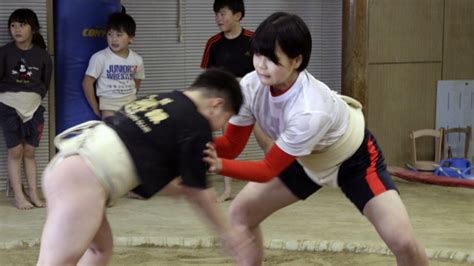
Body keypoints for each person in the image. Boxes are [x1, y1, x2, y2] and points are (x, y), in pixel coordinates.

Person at [204, 12, 429, 265]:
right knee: (241, 214)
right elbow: (232, 145)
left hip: (354, 159)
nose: (260, 65)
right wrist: (195, 147)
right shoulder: (251, 86)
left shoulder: (310, 108)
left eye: (271, 58)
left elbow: (267, 169)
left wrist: (218, 164)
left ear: (296, 60)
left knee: (403, 242)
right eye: (257, 55)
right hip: (302, 159)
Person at [37, 69, 253, 265]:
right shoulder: (196, 125)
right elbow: (199, 192)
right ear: (216, 105)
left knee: (100, 249)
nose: (221, 127)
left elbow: (139, 153)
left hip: (70, 165)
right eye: (227, 118)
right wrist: (228, 233)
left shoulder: (163, 100)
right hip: (83, 180)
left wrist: (176, 189)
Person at [201, 0, 261, 202]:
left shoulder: (254, 40)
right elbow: (208, 78)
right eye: (216, 14)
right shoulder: (213, 43)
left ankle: (277, 183)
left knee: (266, 140)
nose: (219, 19)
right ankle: (227, 190)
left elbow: (265, 70)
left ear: (238, 15)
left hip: (256, 99)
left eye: (223, 13)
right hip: (229, 102)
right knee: (227, 145)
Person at [0, 8, 52, 209]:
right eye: (13, 25)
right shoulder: (4, 52)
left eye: (22, 25)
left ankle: (34, 193)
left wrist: (33, 99)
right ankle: (19, 196)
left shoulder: (42, 56)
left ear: (33, 29)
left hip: (34, 108)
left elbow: (45, 83)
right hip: (8, 106)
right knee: (15, 151)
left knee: (29, 151)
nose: (16, 29)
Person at [83, 12, 145, 120]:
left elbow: (137, 81)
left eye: (119, 35)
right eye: (110, 34)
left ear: (131, 38)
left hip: (130, 105)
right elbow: (87, 83)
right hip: (109, 106)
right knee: (112, 133)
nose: (113, 39)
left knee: (129, 134)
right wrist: (95, 107)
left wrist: (131, 98)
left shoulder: (137, 59)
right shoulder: (100, 58)